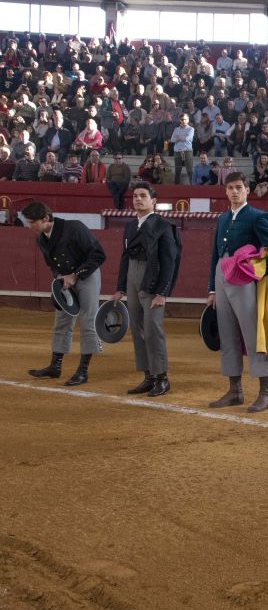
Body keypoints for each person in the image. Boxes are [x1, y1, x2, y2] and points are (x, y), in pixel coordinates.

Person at [206, 172, 268, 413]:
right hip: (222, 276)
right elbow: (215, 256)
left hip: (243, 280)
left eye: (239, 187)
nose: (234, 192)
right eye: (230, 188)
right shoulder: (222, 219)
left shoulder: (257, 216)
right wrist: (212, 288)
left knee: (253, 336)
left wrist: (257, 273)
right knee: (228, 335)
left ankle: (265, 394)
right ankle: (235, 391)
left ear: (247, 190)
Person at [23, 201, 106, 386]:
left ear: (45, 218)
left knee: (88, 320)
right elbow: (52, 264)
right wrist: (60, 278)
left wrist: (75, 275)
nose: (30, 227)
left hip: (87, 276)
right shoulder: (41, 239)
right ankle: (55, 366)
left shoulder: (74, 227)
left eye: (32, 222)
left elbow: (99, 255)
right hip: (66, 280)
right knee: (61, 320)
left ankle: (83, 371)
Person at [112, 182, 178, 397]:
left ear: (154, 201)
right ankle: (149, 377)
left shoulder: (163, 225)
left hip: (152, 279)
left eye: (143, 196)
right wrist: (120, 287)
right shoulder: (131, 226)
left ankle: (162, 378)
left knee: (152, 330)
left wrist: (163, 292)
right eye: (135, 196)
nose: (138, 199)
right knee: (138, 331)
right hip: (132, 276)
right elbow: (124, 257)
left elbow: (169, 261)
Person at [170, 113, 195, 184]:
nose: (183, 121)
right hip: (177, 151)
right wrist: (182, 137)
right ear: (180, 120)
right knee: (177, 170)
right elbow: (172, 139)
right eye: (182, 119)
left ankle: (192, 186)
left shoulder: (191, 129)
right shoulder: (176, 129)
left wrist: (178, 137)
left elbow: (187, 138)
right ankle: (176, 186)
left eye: (185, 119)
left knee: (189, 170)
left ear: (188, 120)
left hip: (187, 150)